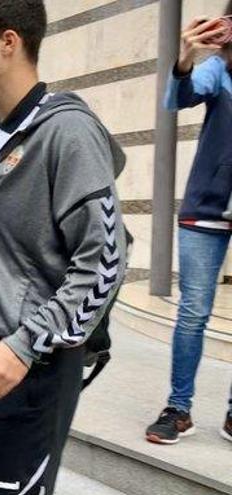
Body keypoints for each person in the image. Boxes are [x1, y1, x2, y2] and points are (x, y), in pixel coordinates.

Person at [0, 1, 127, 493]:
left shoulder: (68, 131)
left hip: (34, 365)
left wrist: (25, 345)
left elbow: (105, 264)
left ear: (8, 42)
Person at [146, 4, 232, 445]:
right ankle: (179, 408)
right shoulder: (218, 69)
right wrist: (185, 55)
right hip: (206, 209)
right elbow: (179, 98)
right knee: (194, 312)